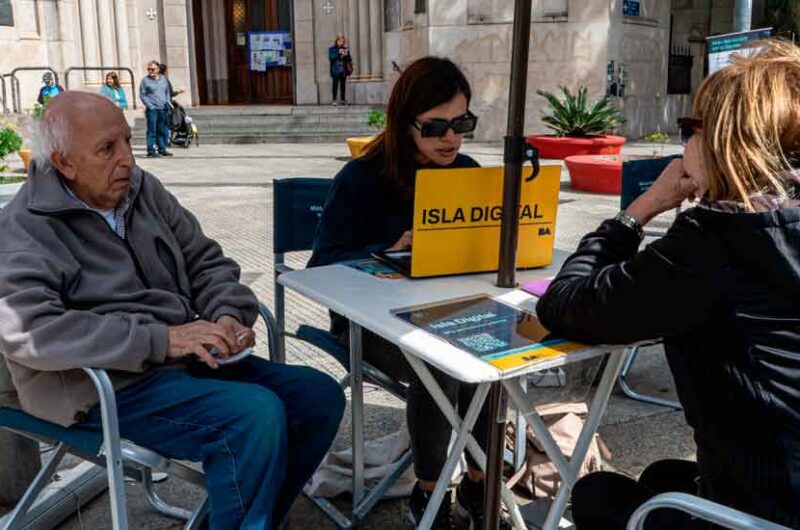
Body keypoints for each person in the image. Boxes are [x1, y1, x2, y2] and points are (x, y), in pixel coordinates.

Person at [0, 91, 345, 530]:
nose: (127, 158)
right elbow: (30, 331)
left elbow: (206, 260)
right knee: (253, 416)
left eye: (127, 140)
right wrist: (162, 340)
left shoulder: (142, 190)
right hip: (104, 388)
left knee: (318, 396)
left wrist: (227, 315)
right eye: (107, 149)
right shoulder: (24, 226)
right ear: (64, 162)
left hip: (182, 362)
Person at [536, 39, 800, 529]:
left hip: (768, 509)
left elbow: (565, 304)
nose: (684, 145)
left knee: (596, 493)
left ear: (723, 140)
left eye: (689, 130)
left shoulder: (716, 240)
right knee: (661, 476)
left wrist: (640, 210)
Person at [308, 57, 494, 530]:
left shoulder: (467, 172)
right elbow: (321, 266)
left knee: (491, 349)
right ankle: (428, 494)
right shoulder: (360, 179)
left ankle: (479, 483)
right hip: (365, 322)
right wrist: (389, 250)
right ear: (404, 122)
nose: (451, 138)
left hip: (446, 308)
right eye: (436, 127)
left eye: (462, 123)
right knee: (440, 358)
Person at [139, 60, 172, 158]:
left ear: (158, 69)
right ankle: (151, 150)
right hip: (152, 109)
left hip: (163, 108)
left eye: (152, 69)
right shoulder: (145, 80)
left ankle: (162, 149)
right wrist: (150, 106)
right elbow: (142, 95)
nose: (150, 71)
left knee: (161, 129)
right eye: (148, 69)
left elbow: (167, 92)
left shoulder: (164, 79)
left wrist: (168, 102)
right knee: (152, 130)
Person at [158, 63, 184, 148]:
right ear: (165, 71)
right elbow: (171, 93)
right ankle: (166, 141)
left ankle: (162, 141)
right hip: (165, 104)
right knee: (166, 123)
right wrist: (179, 91)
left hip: (157, 104)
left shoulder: (155, 80)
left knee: (161, 123)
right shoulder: (164, 80)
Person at [328, 33, 352, 106]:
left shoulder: (345, 49)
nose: (341, 42)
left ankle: (343, 99)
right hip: (335, 70)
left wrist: (346, 55)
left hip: (343, 70)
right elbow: (331, 57)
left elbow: (349, 59)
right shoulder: (332, 49)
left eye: (342, 41)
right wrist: (339, 53)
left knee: (343, 85)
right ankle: (334, 99)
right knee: (335, 85)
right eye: (340, 41)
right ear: (337, 41)